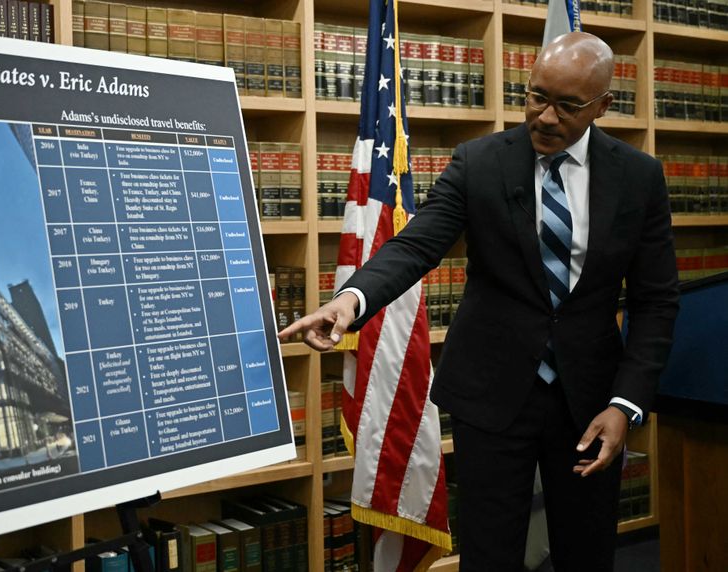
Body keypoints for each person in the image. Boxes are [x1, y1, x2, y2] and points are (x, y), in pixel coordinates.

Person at [279, 32, 678, 571]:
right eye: (537, 96)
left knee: (587, 554)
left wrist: (625, 404)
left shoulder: (638, 176)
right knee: (490, 556)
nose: (545, 117)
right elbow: (416, 245)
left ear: (603, 105)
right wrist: (350, 302)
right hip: (491, 395)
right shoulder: (480, 161)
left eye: (567, 106)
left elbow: (655, 301)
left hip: (591, 403)